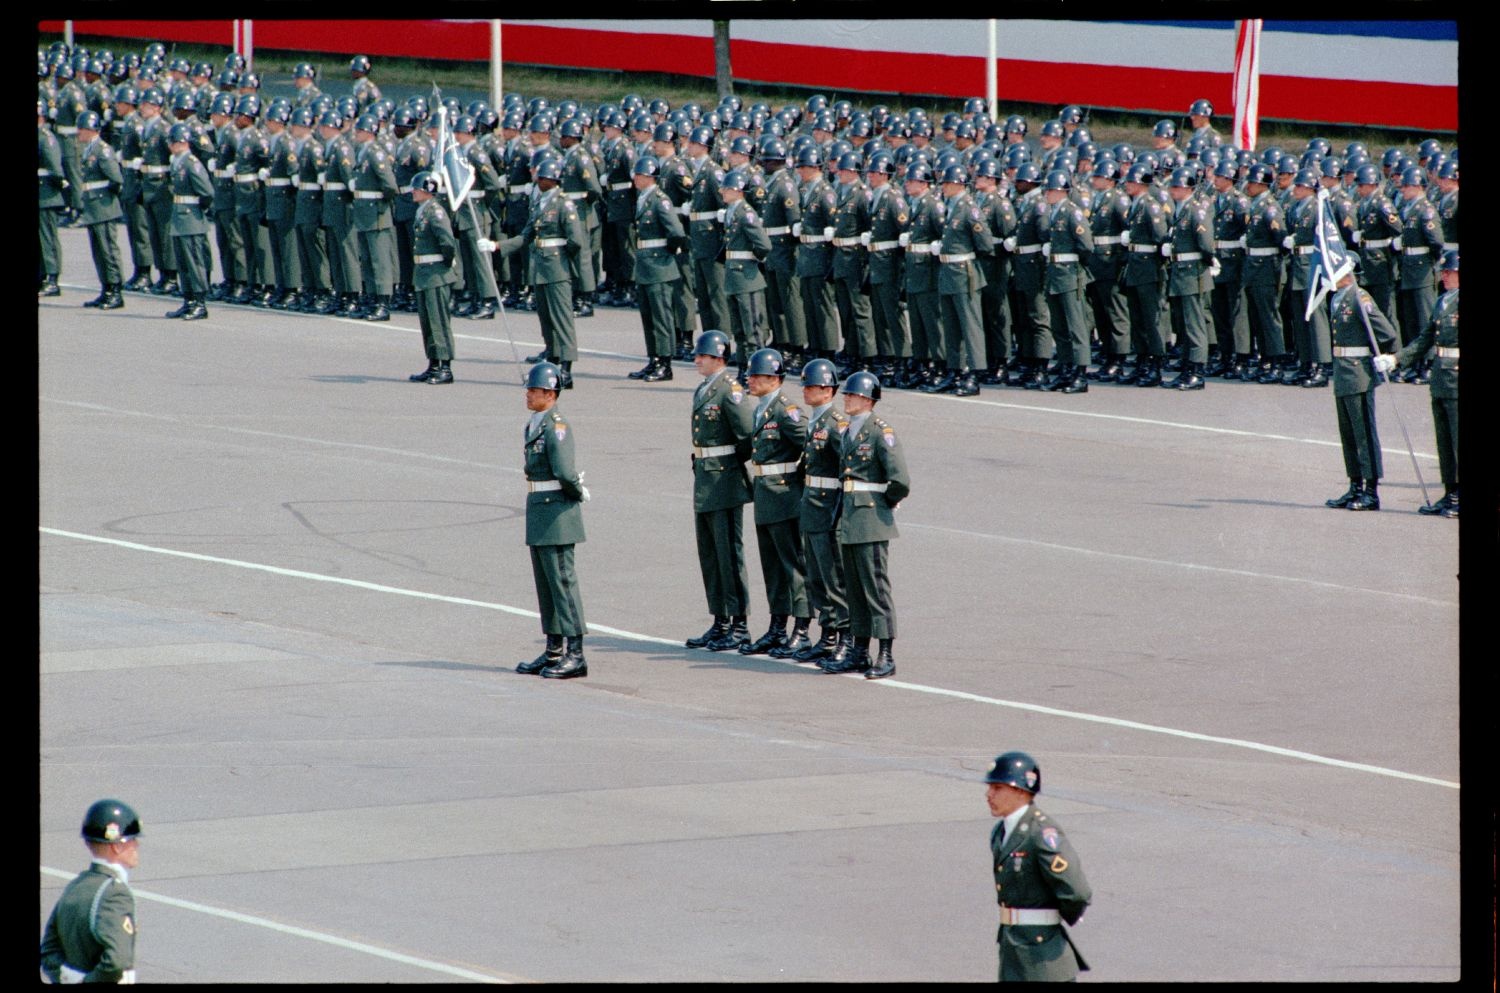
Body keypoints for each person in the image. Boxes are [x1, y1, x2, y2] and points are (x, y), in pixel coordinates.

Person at [823, 370, 910, 679]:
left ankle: (885, 654)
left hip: (870, 519)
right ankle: (860, 651)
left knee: (875, 588)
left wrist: (883, 505)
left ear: (867, 399)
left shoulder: (879, 431)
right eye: (845, 394)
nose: (845, 398)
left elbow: (899, 480)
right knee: (855, 589)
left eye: (851, 394)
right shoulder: (847, 431)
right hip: (849, 517)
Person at [984, 753, 1092, 982]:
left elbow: (1077, 892)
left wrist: (1050, 918)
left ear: (1021, 791)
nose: (989, 794)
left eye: (997, 788)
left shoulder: (1040, 833)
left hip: (1042, 957)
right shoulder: (1000, 832)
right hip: (1013, 949)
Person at [515, 361, 591, 678]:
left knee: (562, 584)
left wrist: (577, 492)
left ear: (550, 393)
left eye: (534, 390)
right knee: (546, 587)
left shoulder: (556, 426)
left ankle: (576, 654)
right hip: (540, 510)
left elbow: (564, 471)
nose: (528, 395)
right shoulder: (534, 424)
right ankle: (553, 650)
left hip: (557, 512)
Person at [685, 330, 756, 653]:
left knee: (728, 554)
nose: (697, 360)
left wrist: (728, 465)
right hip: (706, 480)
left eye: (704, 355)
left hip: (724, 481)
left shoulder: (731, 390)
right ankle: (720, 620)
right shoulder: (705, 389)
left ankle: (738, 624)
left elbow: (746, 436)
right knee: (711, 555)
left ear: (719, 358)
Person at [741, 347, 811, 656]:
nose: (750, 380)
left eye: (756, 376)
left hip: (785, 496)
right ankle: (777, 627)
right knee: (772, 567)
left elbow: (812, 448)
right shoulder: (760, 408)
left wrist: (801, 482)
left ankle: (802, 628)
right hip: (765, 495)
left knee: (793, 565)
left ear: (774, 379)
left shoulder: (786, 409)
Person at [40, 799, 142, 984]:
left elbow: (48, 951)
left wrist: (68, 978)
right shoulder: (115, 893)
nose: (136, 845)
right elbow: (117, 961)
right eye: (133, 839)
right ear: (117, 845)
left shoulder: (75, 886)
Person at [1325, 266, 1398, 511]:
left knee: (1364, 434)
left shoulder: (1359, 296)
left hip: (1359, 372)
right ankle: (1354, 486)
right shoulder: (1337, 297)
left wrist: (1384, 357)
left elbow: (1387, 332)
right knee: (1349, 435)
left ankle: (1371, 491)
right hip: (1343, 371)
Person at [794, 357, 851, 663]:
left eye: (812, 386)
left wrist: (839, 512)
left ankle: (845, 636)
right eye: (805, 385)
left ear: (828, 390)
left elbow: (848, 469)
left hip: (829, 508)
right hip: (812, 507)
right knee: (816, 577)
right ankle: (827, 635)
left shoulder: (835, 424)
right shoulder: (815, 421)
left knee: (833, 578)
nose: (806, 391)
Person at [1394, 249, 1458, 517]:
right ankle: (1450, 493)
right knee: (1444, 441)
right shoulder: (1442, 302)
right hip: (1441, 378)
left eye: (1449, 272)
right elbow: (1425, 339)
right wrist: (1397, 359)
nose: (1443, 276)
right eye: (1442, 271)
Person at [625, 155, 683, 382]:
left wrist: (667, 253)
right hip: (646, 265)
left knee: (661, 316)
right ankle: (654, 359)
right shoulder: (643, 198)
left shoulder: (660, 200)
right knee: (648, 316)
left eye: (639, 175)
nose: (635, 178)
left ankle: (665, 363)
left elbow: (676, 232)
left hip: (659, 265)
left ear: (649, 177)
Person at [407, 170, 460, 384]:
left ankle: (445, 367)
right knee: (428, 322)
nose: (413, 192)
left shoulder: (435, 212)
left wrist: (445, 265)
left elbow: (448, 243)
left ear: (427, 190)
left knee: (438, 321)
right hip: (424, 273)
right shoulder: (423, 211)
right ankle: (433, 363)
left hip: (436, 272)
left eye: (417, 188)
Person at [75, 111, 126, 309]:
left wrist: (105, 199)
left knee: (108, 250)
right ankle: (106, 288)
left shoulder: (102, 150)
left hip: (104, 207)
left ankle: (115, 291)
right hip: (93, 207)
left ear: (90, 129)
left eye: (81, 128)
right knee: (98, 251)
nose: (78, 132)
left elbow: (116, 179)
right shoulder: (89, 148)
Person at [165, 121, 213, 320]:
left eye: (173, 142)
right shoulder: (177, 161)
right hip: (180, 217)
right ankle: (188, 300)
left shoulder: (191, 162)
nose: (170, 145)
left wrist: (198, 209)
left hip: (191, 217)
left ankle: (200, 303)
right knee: (183, 263)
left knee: (194, 262)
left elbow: (207, 192)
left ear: (182, 142)